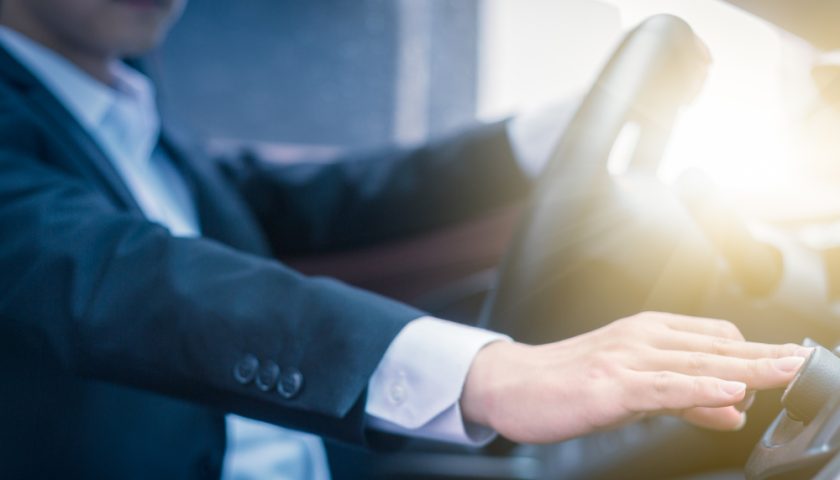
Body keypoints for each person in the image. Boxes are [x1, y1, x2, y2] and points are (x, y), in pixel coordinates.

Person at [0, 0, 812, 478]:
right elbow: (115, 275)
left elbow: (309, 203)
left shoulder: (128, 104)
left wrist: (542, 136)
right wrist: (486, 370)